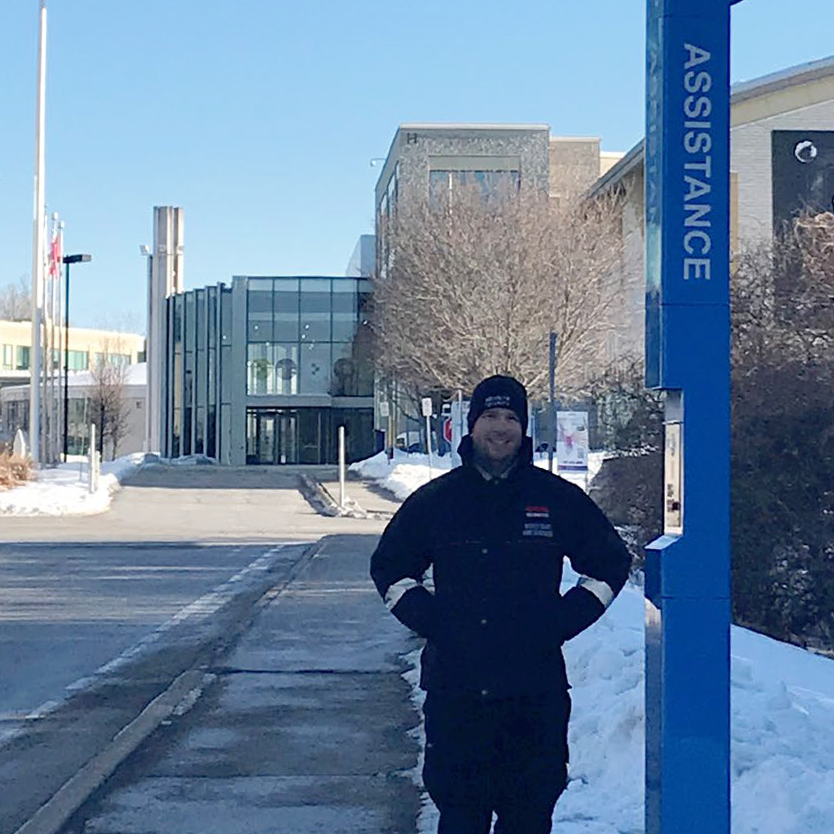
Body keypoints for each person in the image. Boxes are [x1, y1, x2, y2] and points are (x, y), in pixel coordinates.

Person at [370, 375, 632, 834]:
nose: (501, 427)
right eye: (490, 416)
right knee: (461, 819)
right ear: (471, 426)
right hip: (458, 697)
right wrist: (432, 621)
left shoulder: (554, 499)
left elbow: (611, 563)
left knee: (529, 819)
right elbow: (390, 566)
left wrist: (563, 621)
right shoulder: (438, 501)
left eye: (511, 417)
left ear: (524, 428)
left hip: (534, 698)